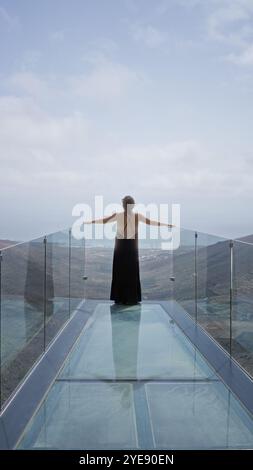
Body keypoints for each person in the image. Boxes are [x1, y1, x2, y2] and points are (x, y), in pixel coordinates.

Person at [86, 196, 174, 305]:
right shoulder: (137, 216)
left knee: (119, 271)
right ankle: (132, 298)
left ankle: (119, 298)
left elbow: (104, 221)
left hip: (120, 245)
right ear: (133, 205)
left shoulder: (118, 216)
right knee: (132, 272)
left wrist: (90, 222)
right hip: (132, 246)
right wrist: (167, 225)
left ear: (123, 205)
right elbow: (151, 222)